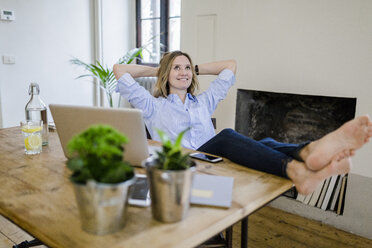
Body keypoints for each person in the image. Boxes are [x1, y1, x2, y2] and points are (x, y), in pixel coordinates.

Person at [113, 51, 372, 195]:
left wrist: (194, 66)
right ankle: (295, 169)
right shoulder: (151, 105)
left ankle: (307, 151)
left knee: (264, 142)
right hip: (183, 162)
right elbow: (119, 70)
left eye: (187, 68)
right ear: (166, 74)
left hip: (212, 160)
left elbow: (230, 65)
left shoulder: (203, 102)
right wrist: (161, 67)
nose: (183, 72)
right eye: (177, 68)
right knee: (226, 135)